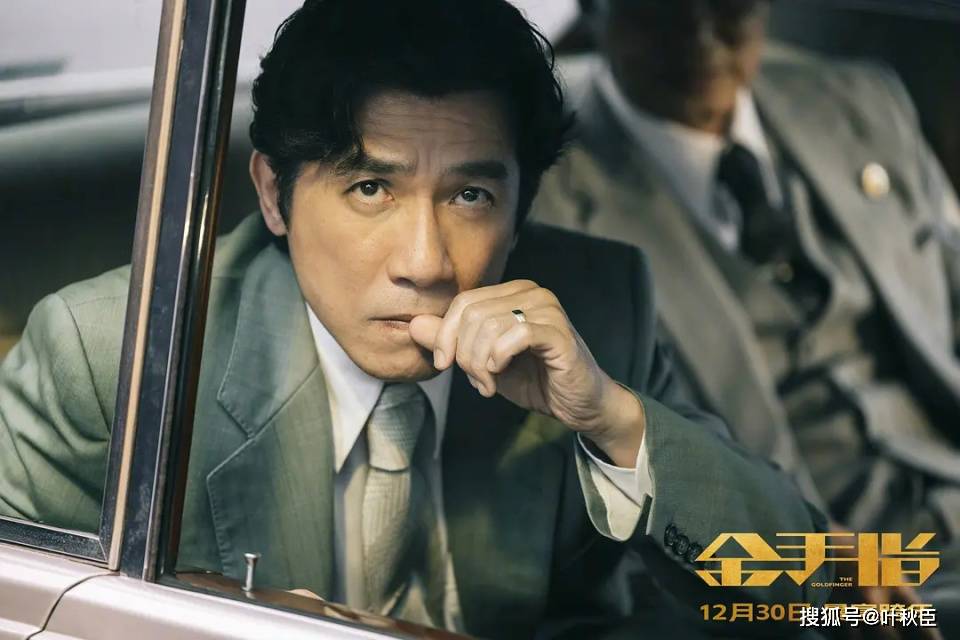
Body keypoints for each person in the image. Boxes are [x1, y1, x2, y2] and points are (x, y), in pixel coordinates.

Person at [0, 1, 830, 637]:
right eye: (371, 189)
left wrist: (614, 420)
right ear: (274, 195)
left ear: (522, 209)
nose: (427, 262)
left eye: (470, 196)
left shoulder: (599, 308)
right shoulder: (111, 356)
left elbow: (812, 589)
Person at [531, 0, 960, 635]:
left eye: (728, 3)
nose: (702, 31)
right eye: (664, 9)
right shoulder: (545, 192)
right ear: (596, 9)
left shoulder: (860, 100)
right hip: (807, 569)